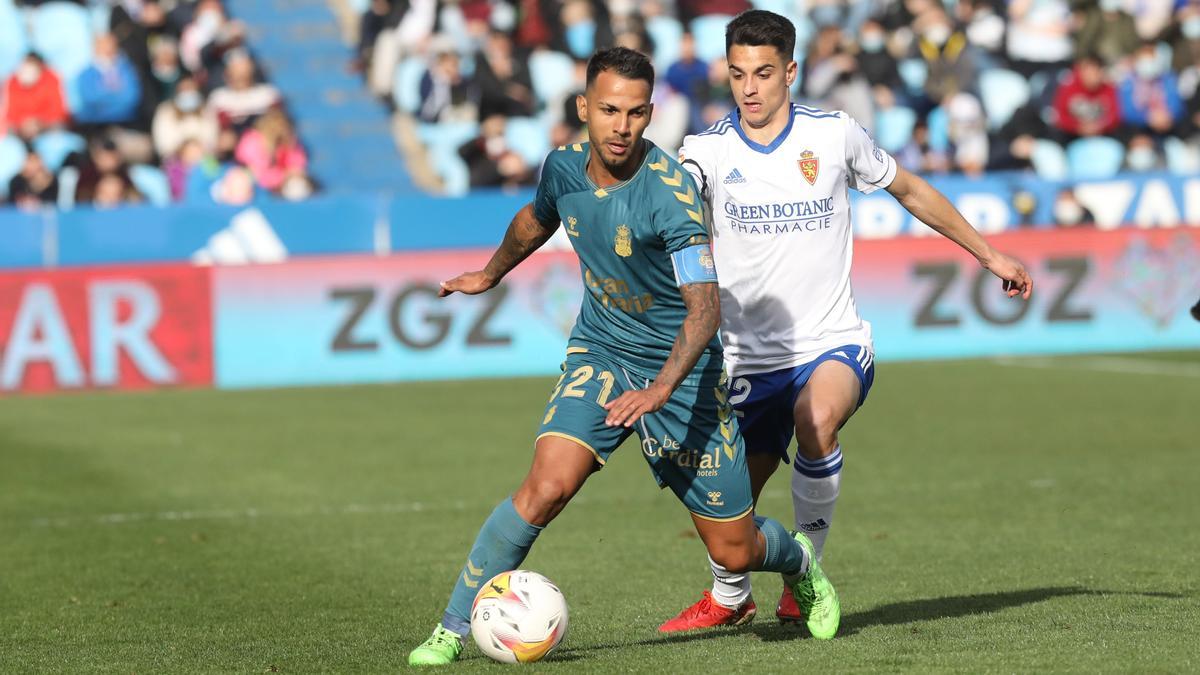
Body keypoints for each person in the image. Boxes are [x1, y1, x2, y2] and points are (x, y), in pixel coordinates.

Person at [407, 47, 838, 667]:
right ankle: (451, 627)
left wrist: (659, 391)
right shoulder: (563, 168)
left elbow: (704, 311)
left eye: (636, 113)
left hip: (683, 376)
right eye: (609, 110)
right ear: (584, 107)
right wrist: (490, 273)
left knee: (735, 552)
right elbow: (536, 219)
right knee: (546, 487)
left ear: (651, 114)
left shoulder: (672, 194)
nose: (621, 126)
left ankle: (797, 560)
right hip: (601, 350)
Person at [662, 10, 1033, 632]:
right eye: (736, 74)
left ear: (791, 72)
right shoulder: (705, 151)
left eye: (762, 73)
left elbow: (911, 190)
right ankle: (731, 595)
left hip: (831, 341)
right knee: (730, 523)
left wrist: (990, 253)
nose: (749, 88)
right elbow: (670, 212)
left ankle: (803, 573)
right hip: (745, 358)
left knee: (816, 419)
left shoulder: (834, 135)